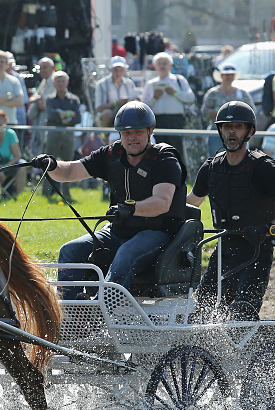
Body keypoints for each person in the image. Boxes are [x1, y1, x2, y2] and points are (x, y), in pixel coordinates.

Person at [32, 102, 188, 299]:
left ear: (150, 131)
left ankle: (102, 313)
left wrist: (130, 208)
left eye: (138, 132)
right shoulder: (111, 155)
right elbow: (70, 171)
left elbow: (162, 202)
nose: (132, 138)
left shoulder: (165, 159)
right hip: (118, 231)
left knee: (125, 254)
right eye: (126, 133)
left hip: (158, 233)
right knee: (70, 251)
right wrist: (52, 165)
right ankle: (70, 314)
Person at [186, 101, 275, 322]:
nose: (232, 131)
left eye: (238, 127)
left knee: (241, 316)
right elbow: (191, 204)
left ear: (250, 131)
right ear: (220, 130)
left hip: (256, 252)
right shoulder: (211, 168)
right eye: (226, 127)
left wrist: (269, 229)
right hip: (223, 251)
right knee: (199, 316)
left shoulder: (263, 168)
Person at [143, 52, 195, 156]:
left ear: (170, 65)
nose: (162, 66)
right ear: (155, 66)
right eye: (159, 63)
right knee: (157, 152)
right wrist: (154, 98)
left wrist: (175, 93)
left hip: (175, 120)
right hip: (157, 121)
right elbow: (143, 107)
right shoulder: (150, 84)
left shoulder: (179, 80)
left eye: (165, 63)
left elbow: (191, 98)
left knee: (176, 150)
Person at [201, 64, 255, 159]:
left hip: (239, 131)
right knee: (216, 160)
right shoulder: (212, 93)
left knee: (241, 159)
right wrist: (220, 110)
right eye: (226, 75)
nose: (229, 77)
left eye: (231, 74)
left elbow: (251, 112)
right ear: (221, 76)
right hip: (217, 131)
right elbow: (204, 114)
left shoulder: (242, 93)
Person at [42, 71, 81, 199]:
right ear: (53, 83)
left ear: (67, 83)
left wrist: (61, 116)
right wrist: (68, 115)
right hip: (53, 135)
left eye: (62, 81)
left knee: (68, 165)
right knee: (48, 164)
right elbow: (50, 115)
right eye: (57, 81)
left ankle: (66, 194)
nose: (60, 83)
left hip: (69, 135)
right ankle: (46, 193)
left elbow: (78, 118)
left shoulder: (74, 99)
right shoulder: (49, 99)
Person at [0, 109, 27, 197]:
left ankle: (19, 195)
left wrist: (4, 168)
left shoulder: (11, 134)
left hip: (8, 165)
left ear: (6, 121)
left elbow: (17, 155)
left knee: (23, 164)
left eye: (1, 119)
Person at [94, 56, 138, 129]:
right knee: (107, 113)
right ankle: (105, 138)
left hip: (126, 114)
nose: (118, 73)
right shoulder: (102, 84)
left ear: (125, 70)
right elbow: (99, 108)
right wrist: (116, 103)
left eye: (121, 70)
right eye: (116, 70)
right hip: (110, 116)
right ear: (110, 69)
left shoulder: (130, 83)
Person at [27, 57, 56, 156]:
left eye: (45, 67)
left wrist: (38, 99)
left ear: (52, 68)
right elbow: (31, 99)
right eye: (40, 68)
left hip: (49, 120)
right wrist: (39, 99)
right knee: (37, 144)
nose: (42, 70)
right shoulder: (44, 82)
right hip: (39, 120)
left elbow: (44, 104)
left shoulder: (55, 80)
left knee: (46, 146)